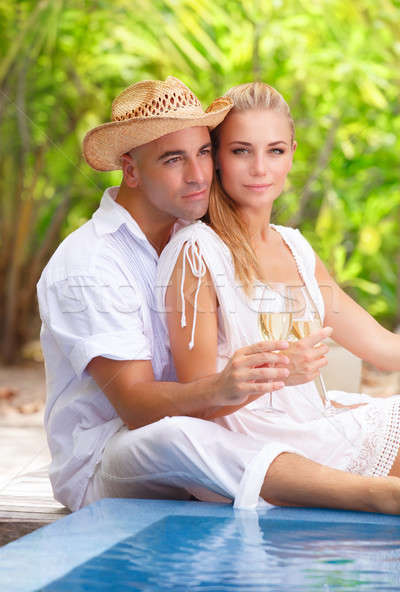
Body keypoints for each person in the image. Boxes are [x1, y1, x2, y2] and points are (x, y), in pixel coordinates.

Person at [37, 76, 400, 515]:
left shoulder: (189, 233)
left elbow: (378, 343)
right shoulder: (91, 262)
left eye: (204, 153)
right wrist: (257, 378)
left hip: (212, 429)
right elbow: (136, 409)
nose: (197, 175)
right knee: (176, 436)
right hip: (110, 455)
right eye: (174, 160)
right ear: (130, 169)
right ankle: (370, 494)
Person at [156, 81, 400, 513]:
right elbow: (195, 410)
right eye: (241, 151)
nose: (260, 169)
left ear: (292, 154)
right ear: (216, 159)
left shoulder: (295, 248)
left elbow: (382, 347)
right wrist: (282, 370)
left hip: (313, 422)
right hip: (254, 446)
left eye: (275, 151)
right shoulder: (199, 252)